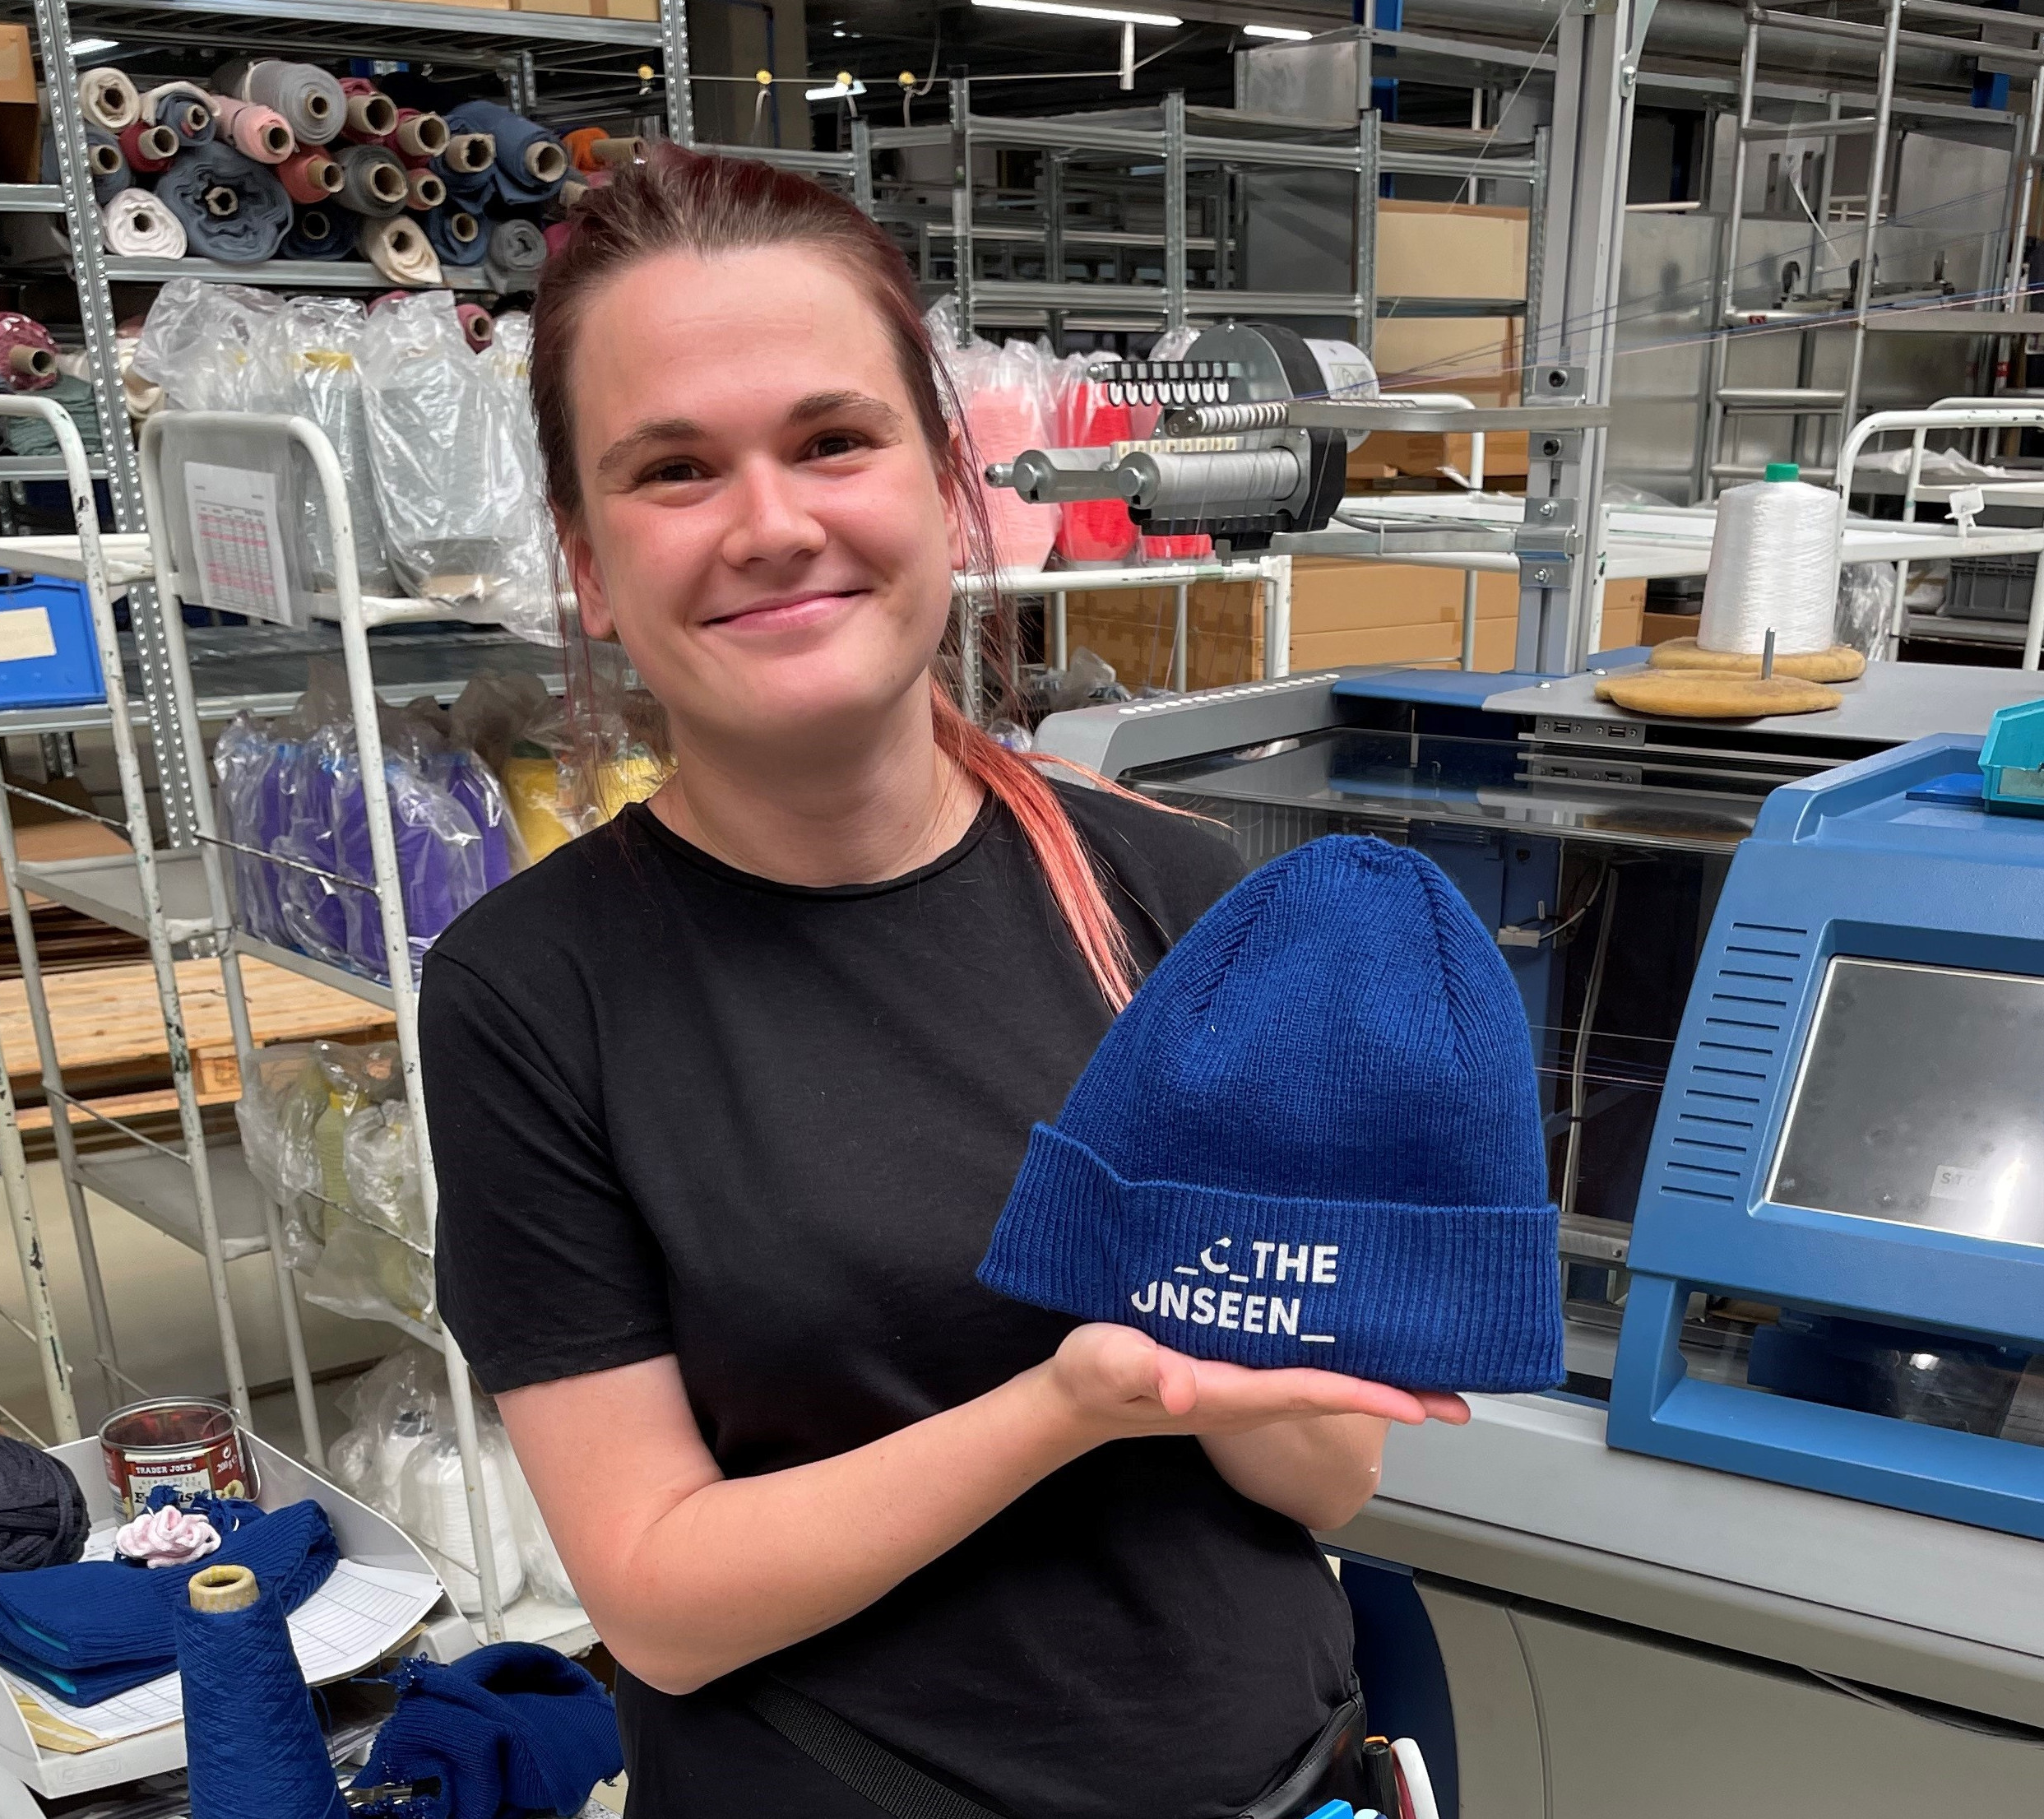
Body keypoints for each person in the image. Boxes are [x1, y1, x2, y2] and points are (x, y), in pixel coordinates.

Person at [421, 146, 1469, 1819]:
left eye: (832, 441)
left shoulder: (1171, 893)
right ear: (590, 567)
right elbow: (661, 1603)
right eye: (674, 470)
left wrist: (1222, 1359)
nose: (771, 524)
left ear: (948, 487)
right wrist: (1066, 1402)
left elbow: (1326, 1478)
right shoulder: (534, 996)